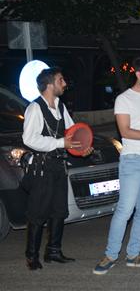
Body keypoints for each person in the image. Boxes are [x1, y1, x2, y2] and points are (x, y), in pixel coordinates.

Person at [93, 57, 140, 274]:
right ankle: (110, 254)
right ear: (138, 74)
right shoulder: (124, 99)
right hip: (133, 160)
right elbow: (125, 131)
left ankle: (134, 253)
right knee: (125, 209)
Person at [21, 68, 90, 270]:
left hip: (59, 166)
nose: (64, 83)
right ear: (50, 84)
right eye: (61, 80)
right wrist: (61, 143)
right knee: (38, 212)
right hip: (42, 168)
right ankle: (32, 257)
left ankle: (53, 252)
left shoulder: (60, 105)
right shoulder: (35, 108)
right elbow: (29, 139)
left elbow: (72, 132)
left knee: (60, 211)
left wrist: (83, 147)